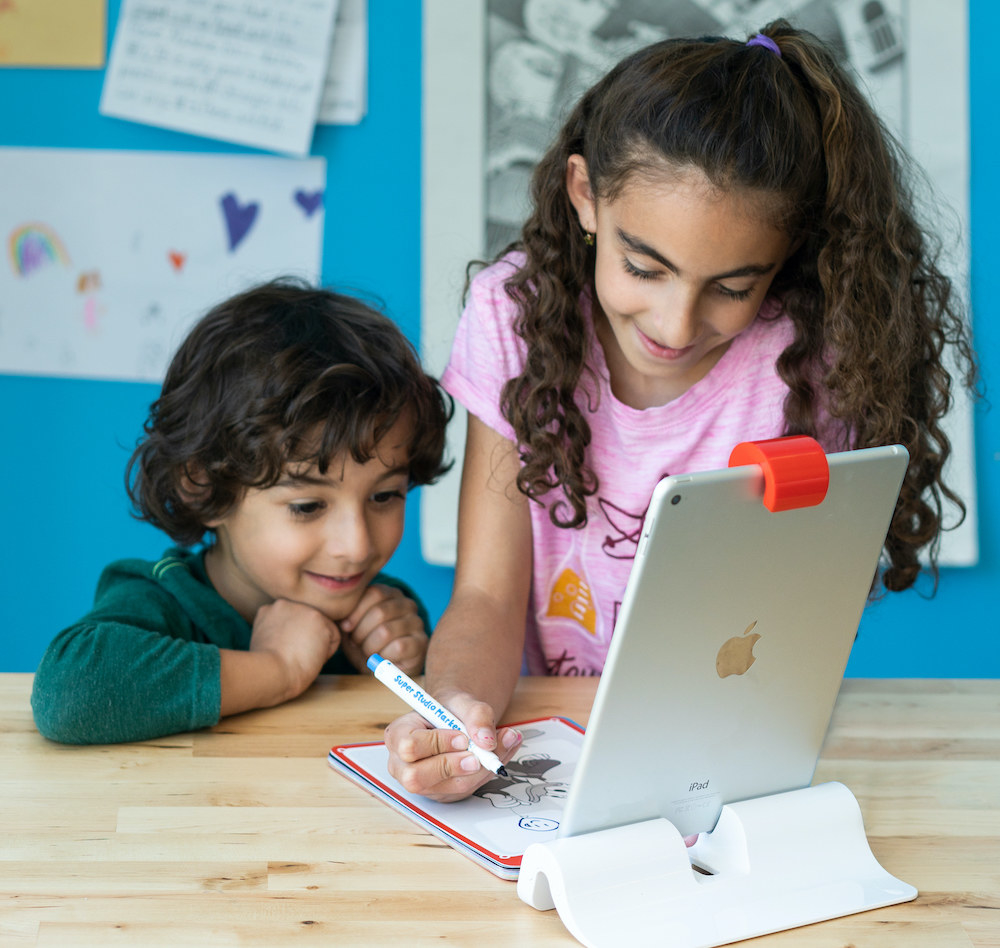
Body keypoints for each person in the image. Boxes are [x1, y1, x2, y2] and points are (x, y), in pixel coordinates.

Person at [385, 21, 977, 801]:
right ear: (584, 194)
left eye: (732, 288)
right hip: (547, 736)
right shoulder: (512, 316)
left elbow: (778, 636)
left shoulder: (812, 364)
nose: (674, 324)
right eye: (643, 267)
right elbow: (488, 594)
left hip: (728, 757)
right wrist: (461, 707)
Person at [32, 279, 452, 744]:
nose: (357, 545)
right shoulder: (165, 599)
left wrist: (409, 668)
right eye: (308, 505)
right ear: (204, 486)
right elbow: (69, 695)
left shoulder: (381, 610)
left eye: (384, 496)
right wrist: (278, 668)